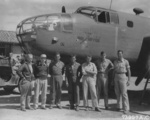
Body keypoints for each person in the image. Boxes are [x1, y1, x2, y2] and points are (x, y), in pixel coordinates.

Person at [113, 50, 131, 114]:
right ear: (117, 54)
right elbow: (114, 71)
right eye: (118, 54)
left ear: (122, 54)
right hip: (116, 76)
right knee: (117, 93)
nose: (119, 55)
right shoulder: (115, 61)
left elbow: (129, 71)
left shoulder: (126, 61)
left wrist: (129, 80)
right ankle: (119, 106)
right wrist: (113, 79)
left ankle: (126, 108)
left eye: (120, 54)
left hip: (123, 76)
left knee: (124, 93)